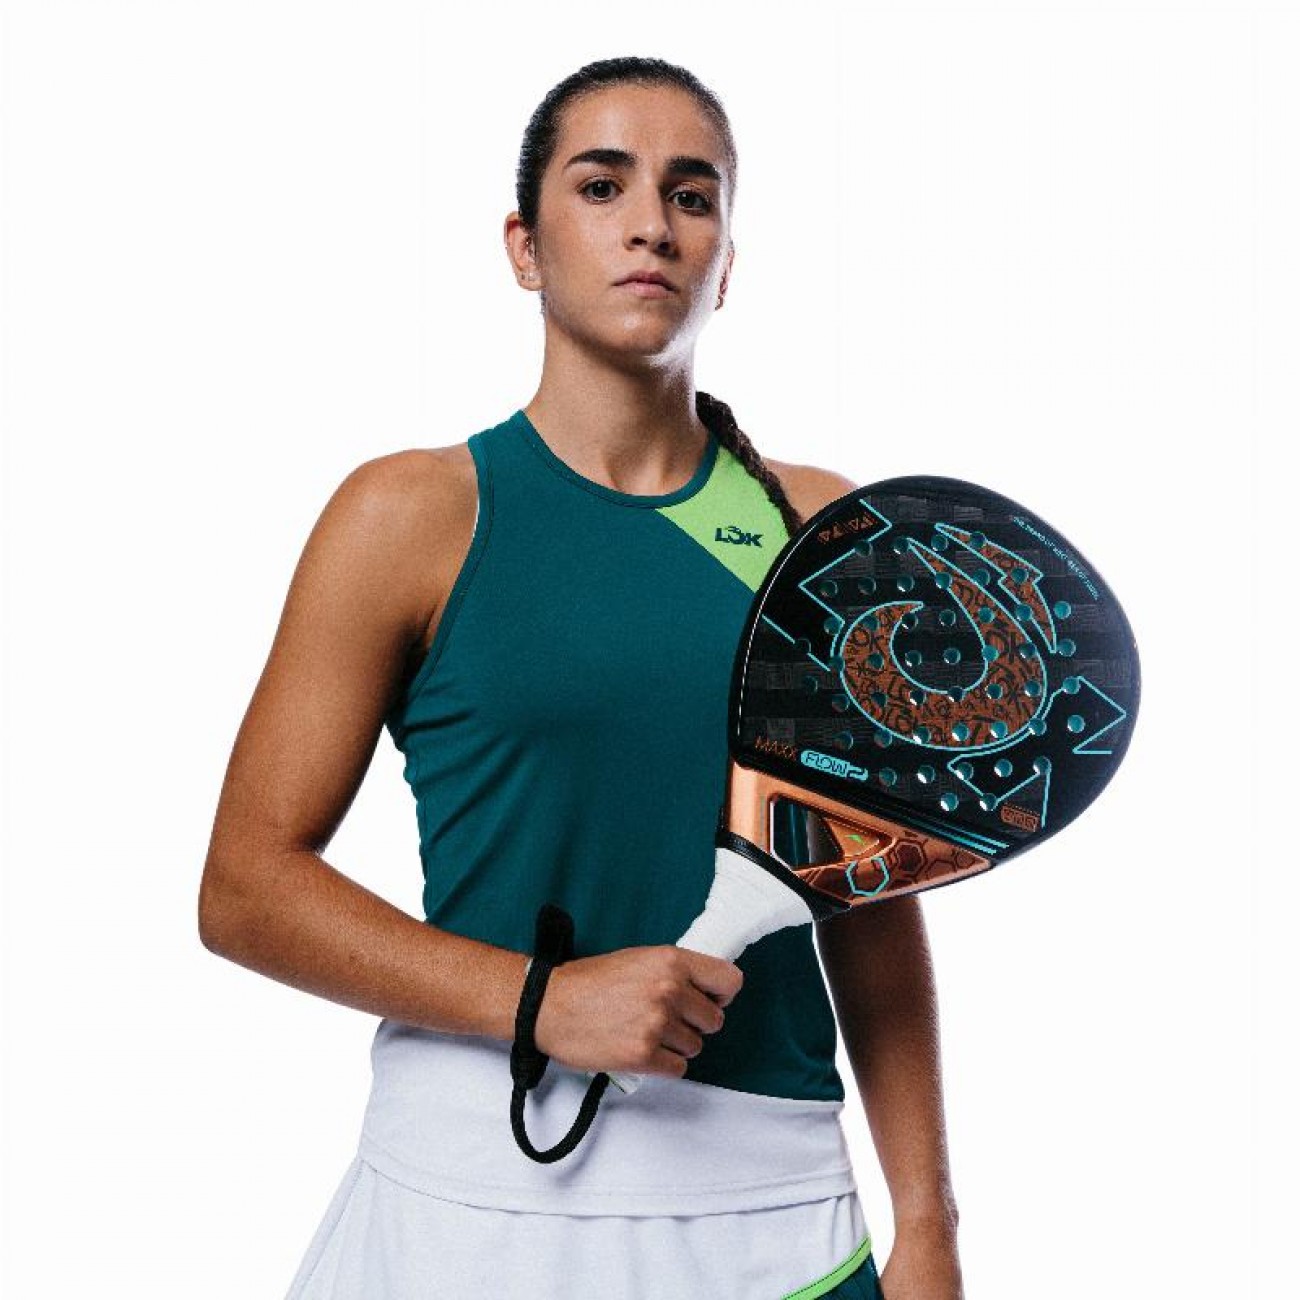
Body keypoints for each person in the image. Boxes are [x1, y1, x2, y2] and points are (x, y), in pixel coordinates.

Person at [198, 55, 964, 1300]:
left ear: (726, 260)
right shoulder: (408, 514)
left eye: (691, 195)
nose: (650, 224)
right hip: (468, 1201)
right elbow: (245, 885)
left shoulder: (820, 533)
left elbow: (867, 896)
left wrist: (927, 1225)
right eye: (601, 186)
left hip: (767, 1208)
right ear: (525, 246)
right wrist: (539, 1000)